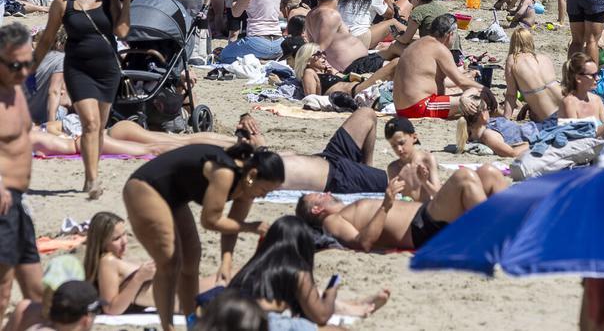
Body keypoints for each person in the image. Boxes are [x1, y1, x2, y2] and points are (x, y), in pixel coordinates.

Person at [122, 142, 285, 331]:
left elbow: (232, 226)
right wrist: (251, 227)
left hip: (175, 197)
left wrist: (226, 260)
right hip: (145, 187)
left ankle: (192, 322)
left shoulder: (247, 188)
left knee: (191, 260)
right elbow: (210, 221)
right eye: (264, 190)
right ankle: (168, 326)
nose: (263, 196)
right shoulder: (225, 173)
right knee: (169, 261)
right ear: (252, 175)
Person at [33, 0, 130, 199]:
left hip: (107, 70)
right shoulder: (62, 3)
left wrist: (127, 0)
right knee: (90, 123)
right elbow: (47, 39)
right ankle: (91, 178)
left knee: (99, 128)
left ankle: (93, 171)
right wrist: (30, 68)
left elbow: (121, 32)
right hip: (78, 70)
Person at [229, 216, 388, 328]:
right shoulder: (296, 269)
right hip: (261, 323)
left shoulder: (252, 265)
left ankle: (354, 305)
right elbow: (321, 316)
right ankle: (353, 308)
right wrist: (331, 292)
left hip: (228, 317)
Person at [295, 166, 502, 251]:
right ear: (316, 210)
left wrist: (423, 185)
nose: (328, 193)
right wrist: (386, 203)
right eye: (320, 196)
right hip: (421, 228)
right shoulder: (332, 221)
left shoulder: (347, 209)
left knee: (488, 172)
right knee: (463, 177)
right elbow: (364, 243)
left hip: (427, 214)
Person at [0, 24, 42, 328]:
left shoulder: (16, 87)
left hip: (20, 202)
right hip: (2, 202)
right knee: (2, 292)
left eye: (29, 63)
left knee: (37, 294)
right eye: (16, 65)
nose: (24, 71)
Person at [389, 14, 486, 119]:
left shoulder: (418, 44)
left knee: (461, 91)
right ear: (450, 34)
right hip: (419, 107)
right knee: (479, 99)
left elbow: (434, 80)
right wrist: (485, 90)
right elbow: (460, 81)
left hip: (402, 108)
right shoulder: (439, 48)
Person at [502, 28, 564, 121]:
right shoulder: (544, 58)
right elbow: (544, 91)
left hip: (551, 120)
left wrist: (505, 121)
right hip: (567, 109)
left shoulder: (513, 59)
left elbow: (511, 95)